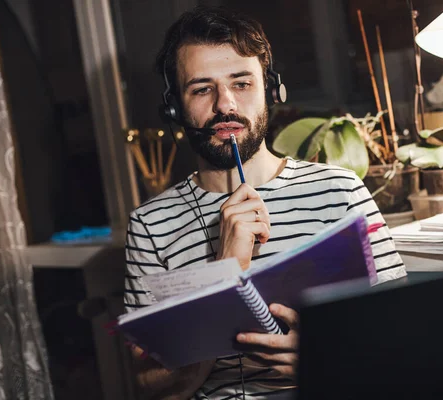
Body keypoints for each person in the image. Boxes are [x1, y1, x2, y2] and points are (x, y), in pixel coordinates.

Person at [124, 6, 407, 399]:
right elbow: (154, 389)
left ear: (272, 90)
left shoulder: (340, 192)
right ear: (175, 107)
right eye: (202, 89)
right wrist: (225, 269)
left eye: (241, 83)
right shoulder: (150, 226)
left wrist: (324, 357)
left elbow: (404, 341)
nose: (225, 105)